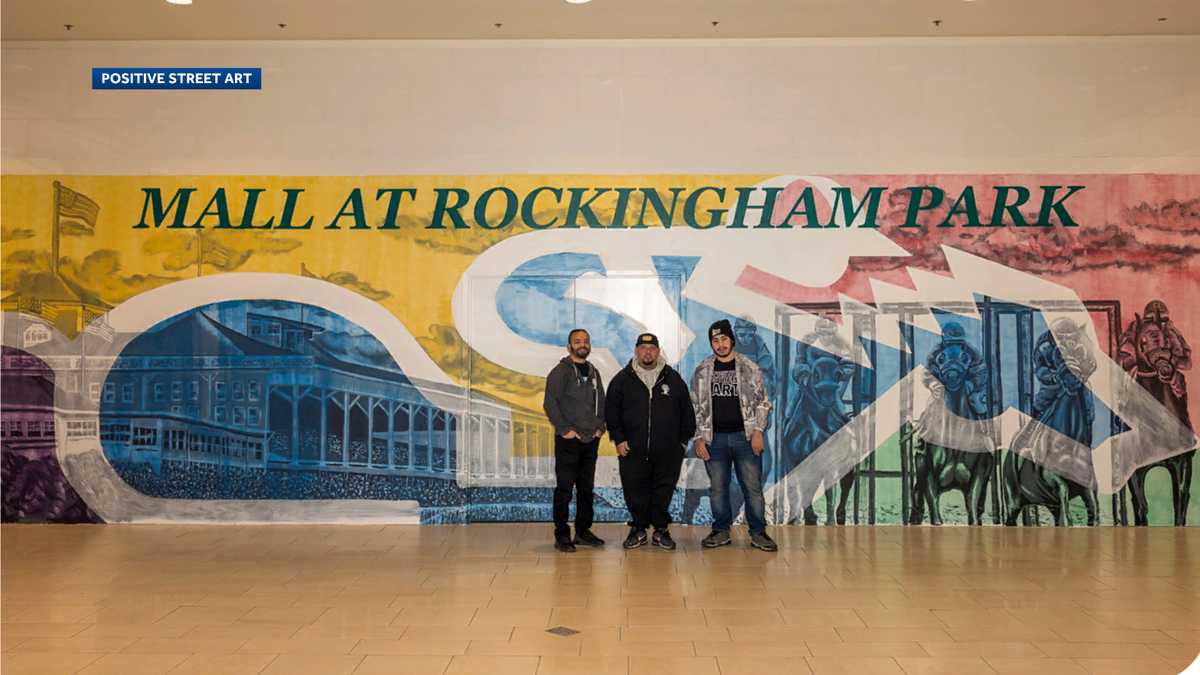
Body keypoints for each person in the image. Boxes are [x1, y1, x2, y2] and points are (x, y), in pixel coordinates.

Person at [691, 319, 777, 552]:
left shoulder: (750, 367)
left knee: (752, 487)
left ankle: (758, 532)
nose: (720, 345)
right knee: (718, 488)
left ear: (732, 340)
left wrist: (758, 431)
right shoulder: (702, 371)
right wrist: (699, 437)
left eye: (724, 339)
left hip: (745, 438)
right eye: (715, 341)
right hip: (714, 439)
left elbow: (763, 402)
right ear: (711, 344)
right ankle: (721, 530)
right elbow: (696, 407)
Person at [605, 333, 696, 550]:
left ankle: (661, 531)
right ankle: (638, 529)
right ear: (636, 351)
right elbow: (611, 413)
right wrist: (619, 439)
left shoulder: (672, 379)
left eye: (652, 348)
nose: (648, 352)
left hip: (667, 452)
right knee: (635, 491)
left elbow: (688, 415)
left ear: (658, 351)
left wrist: (681, 443)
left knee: (662, 491)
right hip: (632, 450)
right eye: (643, 348)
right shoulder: (622, 379)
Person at [542, 328, 606, 553]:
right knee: (565, 490)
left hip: (591, 440)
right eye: (577, 341)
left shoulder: (594, 371)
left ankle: (582, 531)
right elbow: (550, 403)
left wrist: (601, 427)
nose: (582, 345)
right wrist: (565, 430)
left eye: (586, 341)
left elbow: (602, 402)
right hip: (569, 441)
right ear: (569, 346)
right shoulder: (561, 372)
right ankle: (562, 535)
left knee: (586, 489)